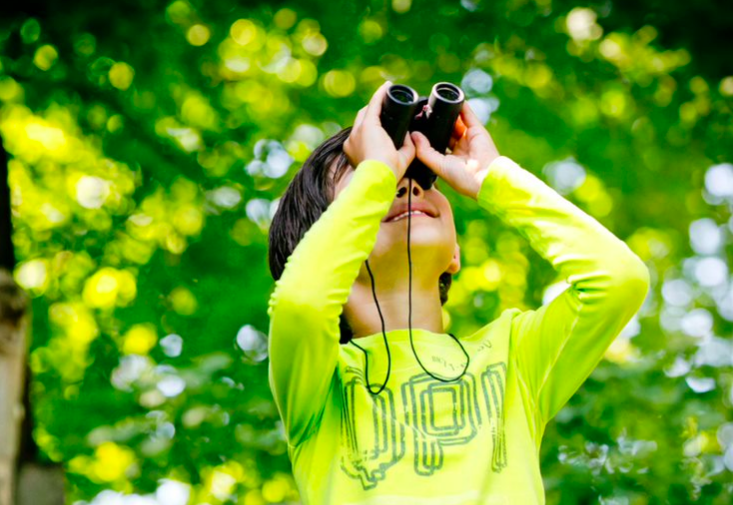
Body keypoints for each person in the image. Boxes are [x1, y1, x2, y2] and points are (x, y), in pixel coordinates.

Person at [265, 80, 650, 504]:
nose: (406, 185)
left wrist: (491, 177)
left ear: (455, 254)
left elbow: (618, 279)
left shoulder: (513, 359)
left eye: (422, 180)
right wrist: (376, 172)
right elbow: (300, 303)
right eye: (372, 183)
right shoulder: (320, 387)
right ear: (330, 248)